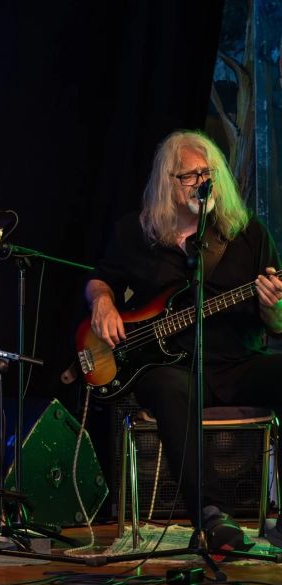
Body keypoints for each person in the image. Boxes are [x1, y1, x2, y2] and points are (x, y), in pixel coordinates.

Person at [85, 130, 282, 558]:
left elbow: (278, 321)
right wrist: (102, 300)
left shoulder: (249, 235)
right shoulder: (137, 233)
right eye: (189, 176)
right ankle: (211, 516)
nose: (201, 182)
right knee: (169, 388)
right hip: (170, 369)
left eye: (207, 173)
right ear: (166, 183)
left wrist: (271, 308)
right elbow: (101, 277)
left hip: (238, 362)